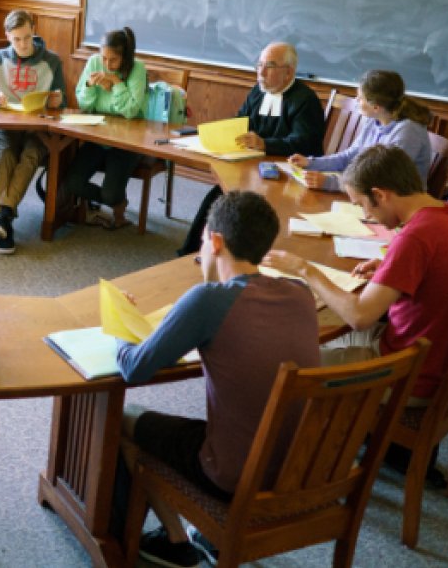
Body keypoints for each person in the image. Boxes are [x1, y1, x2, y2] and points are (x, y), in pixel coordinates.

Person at [112, 191, 319, 567]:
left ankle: (175, 542)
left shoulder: (208, 299)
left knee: (122, 421)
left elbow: (134, 368)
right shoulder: (301, 294)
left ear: (216, 241)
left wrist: (120, 324)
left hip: (233, 475)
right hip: (301, 467)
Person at [264, 145, 448, 403]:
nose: (367, 215)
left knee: (274, 367)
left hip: (408, 373)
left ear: (380, 195)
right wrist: (390, 269)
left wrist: (304, 269)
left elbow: (360, 317)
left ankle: (313, 438)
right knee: (307, 337)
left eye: (362, 205)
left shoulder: (416, 236)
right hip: (441, 356)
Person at [178, 41, 325, 255]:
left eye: (270, 66)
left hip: (288, 174)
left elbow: (306, 143)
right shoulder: (258, 91)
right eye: (259, 65)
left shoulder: (305, 100)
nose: (261, 72)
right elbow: (241, 122)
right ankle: (192, 252)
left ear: (288, 72)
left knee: (229, 201)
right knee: (216, 198)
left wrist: (265, 144)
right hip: (251, 167)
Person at [0, 9, 67, 255]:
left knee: (29, 156)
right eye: (16, 39)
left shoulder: (51, 60)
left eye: (27, 37)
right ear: (7, 36)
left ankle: (4, 216)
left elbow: (63, 99)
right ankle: (6, 216)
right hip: (5, 126)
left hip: (37, 129)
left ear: (33, 30)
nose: (23, 44)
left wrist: (57, 101)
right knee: (5, 155)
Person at [59, 28, 147, 230]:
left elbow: (132, 111)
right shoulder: (94, 62)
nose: (107, 65)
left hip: (127, 140)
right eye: (104, 58)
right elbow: (84, 105)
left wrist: (116, 84)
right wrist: (90, 86)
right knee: (73, 182)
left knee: (110, 193)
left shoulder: (137, 69)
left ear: (125, 58)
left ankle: (115, 200)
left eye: (113, 60)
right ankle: (116, 204)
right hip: (98, 135)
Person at [288, 70, 432, 191]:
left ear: (376, 106)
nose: (356, 100)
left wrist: (331, 183)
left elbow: (383, 178)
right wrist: (311, 163)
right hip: (369, 194)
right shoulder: (374, 119)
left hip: (397, 201)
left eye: (360, 98)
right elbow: (351, 156)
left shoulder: (408, 132)